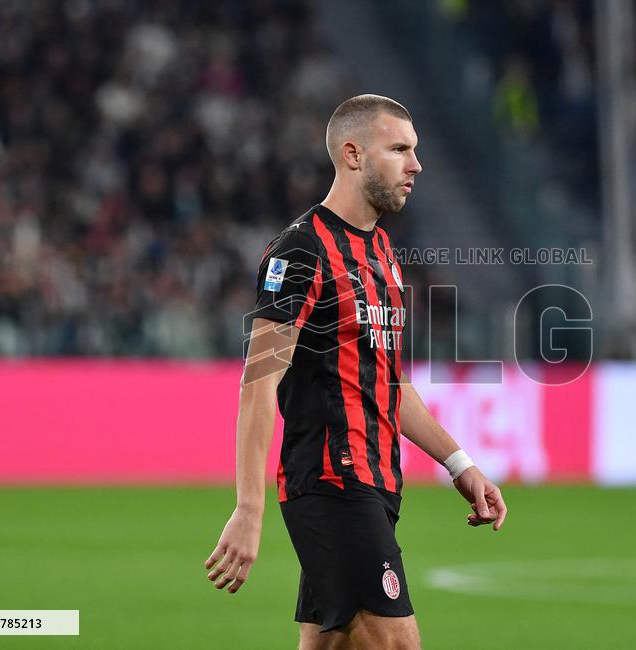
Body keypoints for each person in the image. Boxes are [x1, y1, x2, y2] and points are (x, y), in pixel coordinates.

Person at [204, 94, 508, 650]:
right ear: (353, 154)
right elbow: (259, 383)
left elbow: (391, 384)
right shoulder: (300, 252)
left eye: (414, 151)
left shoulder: (385, 254)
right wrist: (248, 509)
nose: (416, 165)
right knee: (398, 643)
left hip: (377, 484)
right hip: (332, 484)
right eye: (399, 150)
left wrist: (460, 464)